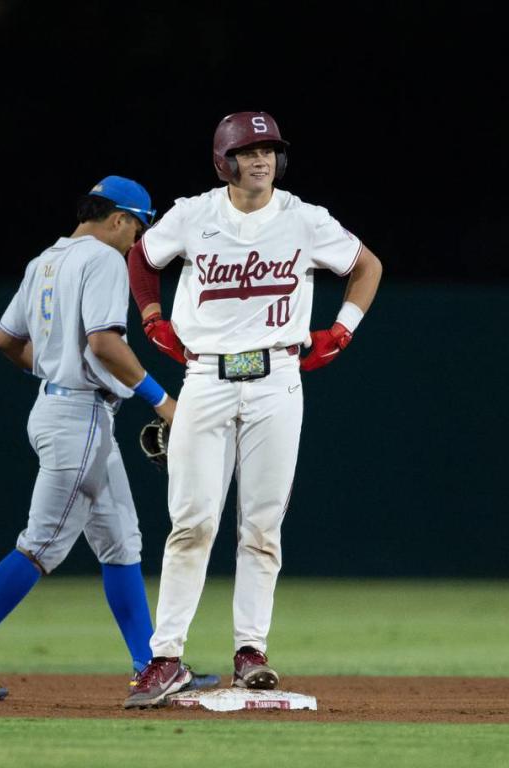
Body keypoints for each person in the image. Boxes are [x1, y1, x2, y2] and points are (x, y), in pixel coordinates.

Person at [0, 176, 217, 702]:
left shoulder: (46, 260)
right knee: (40, 545)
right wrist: (163, 402)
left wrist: (58, 366)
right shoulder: (105, 260)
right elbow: (104, 343)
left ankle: (152, 666)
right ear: (121, 218)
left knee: (122, 542)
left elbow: (5, 340)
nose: (138, 242)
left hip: (60, 409)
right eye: (138, 227)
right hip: (78, 418)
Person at [123, 112, 383, 708]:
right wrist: (151, 317)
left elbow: (367, 266)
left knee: (262, 528)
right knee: (193, 522)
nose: (262, 159)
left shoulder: (304, 218)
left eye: (270, 150)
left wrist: (342, 331)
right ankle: (164, 659)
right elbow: (143, 257)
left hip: (276, 379)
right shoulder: (194, 214)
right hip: (208, 376)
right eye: (250, 150)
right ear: (224, 162)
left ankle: (251, 653)